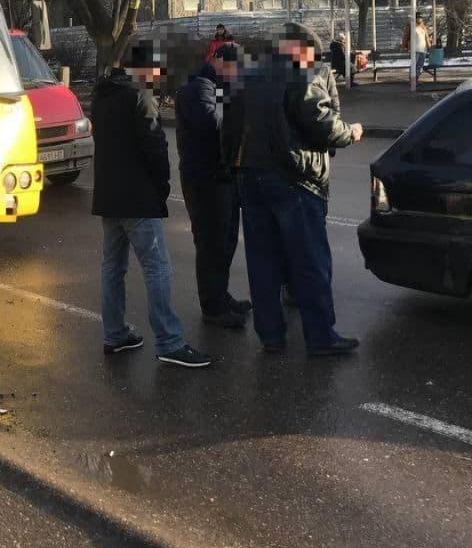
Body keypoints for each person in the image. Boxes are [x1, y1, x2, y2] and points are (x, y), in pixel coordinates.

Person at [223, 23, 364, 356]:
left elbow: (229, 127)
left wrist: (234, 168)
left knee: (263, 261)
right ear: (301, 49)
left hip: (251, 177)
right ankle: (321, 337)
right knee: (309, 261)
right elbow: (320, 122)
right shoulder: (302, 72)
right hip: (293, 179)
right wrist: (351, 132)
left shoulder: (249, 74)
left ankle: (271, 335)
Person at [92, 40, 212, 368]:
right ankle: (170, 342)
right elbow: (154, 147)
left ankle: (114, 334)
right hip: (138, 197)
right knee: (157, 267)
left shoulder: (102, 94)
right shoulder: (139, 95)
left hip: (109, 196)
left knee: (113, 267)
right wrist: (162, 187)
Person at [175, 44, 252, 329]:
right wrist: (238, 115)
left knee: (226, 241)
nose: (235, 74)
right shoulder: (198, 87)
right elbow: (212, 123)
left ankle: (221, 294)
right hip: (205, 181)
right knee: (211, 244)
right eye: (232, 66)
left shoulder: (216, 86)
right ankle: (213, 307)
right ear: (217, 60)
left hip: (221, 176)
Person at [410, 14, 431, 81]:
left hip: (423, 50)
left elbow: (427, 38)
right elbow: (406, 36)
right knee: (414, 65)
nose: (419, 19)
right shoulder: (412, 27)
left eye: (420, 18)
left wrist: (429, 46)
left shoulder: (424, 28)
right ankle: (412, 80)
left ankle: (416, 79)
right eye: (418, 18)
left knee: (420, 66)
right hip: (415, 50)